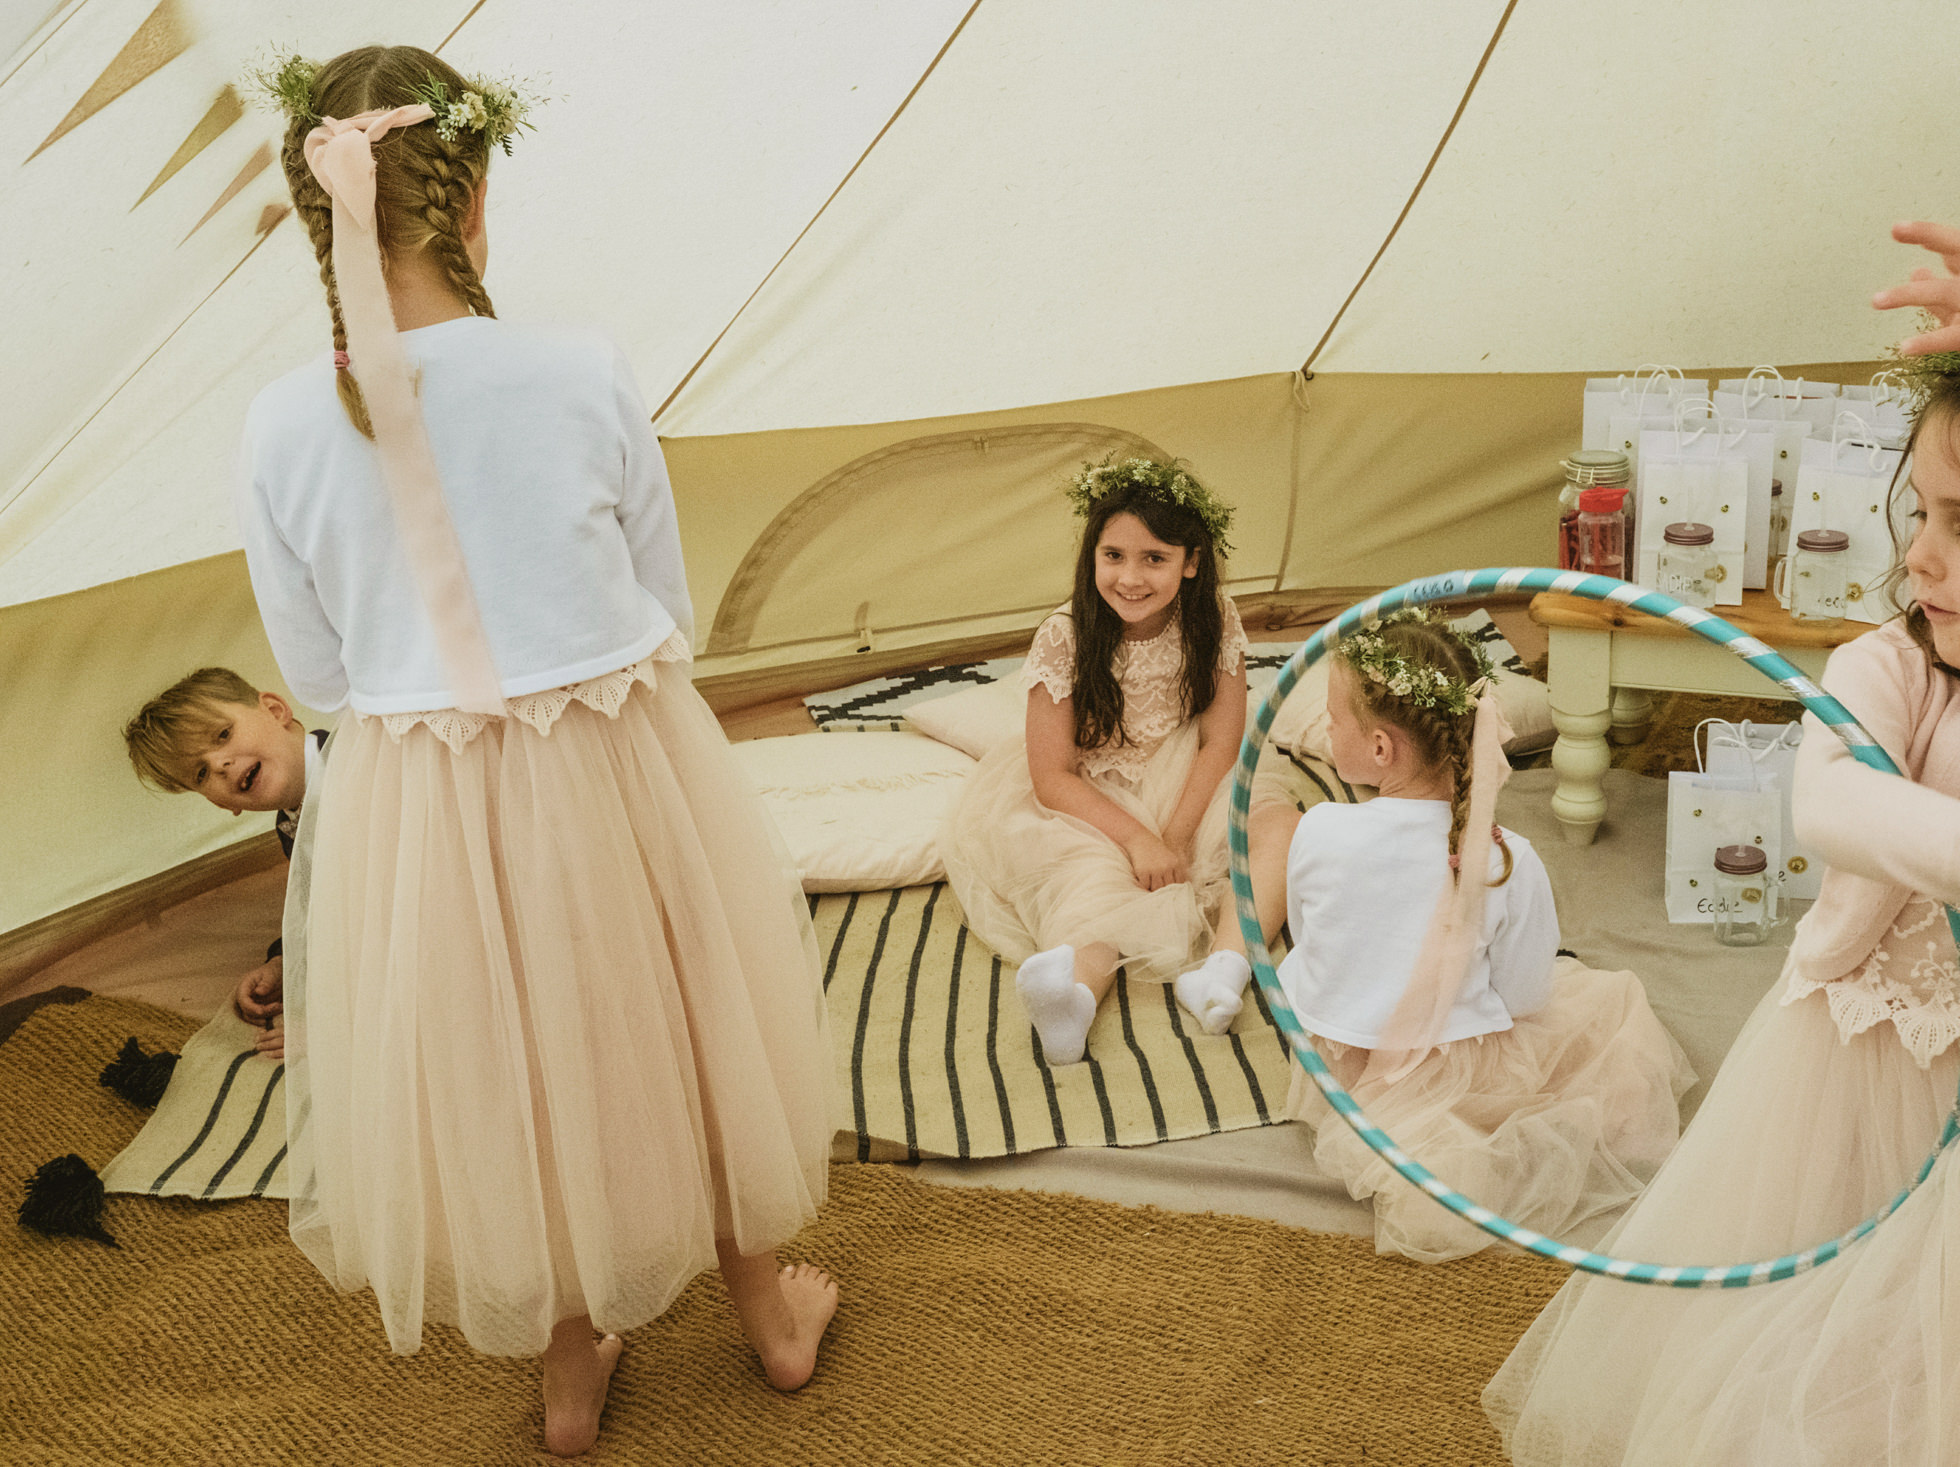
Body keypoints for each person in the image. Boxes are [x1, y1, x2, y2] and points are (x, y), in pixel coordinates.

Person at [1485, 222, 1960, 1464]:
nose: (1917, 553)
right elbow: (1829, 807)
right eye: (1919, 513)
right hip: (1860, 1112)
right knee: (1804, 1396)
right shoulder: (1890, 670)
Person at [235, 46, 836, 1457]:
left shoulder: (276, 427)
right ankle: (770, 1314)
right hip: (617, 765)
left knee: (515, 1065)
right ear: (475, 194)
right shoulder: (577, 366)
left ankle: (571, 1371)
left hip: (420, 803)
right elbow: (666, 604)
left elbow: (319, 675)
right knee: (689, 1022)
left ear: (315, 214)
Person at [1273, 610, 1692, 1261]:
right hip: (1454, 1064)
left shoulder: (1319, 827)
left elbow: (1312, 940)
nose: (1325, 730)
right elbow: (1524, 994)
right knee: (1606, 1005)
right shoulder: (1506, 857)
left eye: (1331, 720)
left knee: (1309, 968)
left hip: (1344, 1052)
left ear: (1381, 749)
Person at [939, 458, 1254, 1064]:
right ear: (1092, 557)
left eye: (1154, 558)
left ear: (1191, 563)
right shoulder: (1065, 635)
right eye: (1113, 555)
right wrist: (1140, 840)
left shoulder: (1213, 615)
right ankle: (1073, 1004)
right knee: (1098, 884)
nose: (1130, 577)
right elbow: (1051, 775)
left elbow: (1221, 740)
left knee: (1272, 831)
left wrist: (1178, 835)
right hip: (1091, 793)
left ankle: (1225, 968)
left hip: (1188, 775)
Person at [123, 667, 329, 1060]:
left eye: (223, 735)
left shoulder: (365, 770)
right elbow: (321, 906)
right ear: (222, 804)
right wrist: (285, 960)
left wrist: (336, 1019)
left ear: (274, 709)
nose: (219, 764)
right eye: (201, 773)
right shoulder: (290, 824)